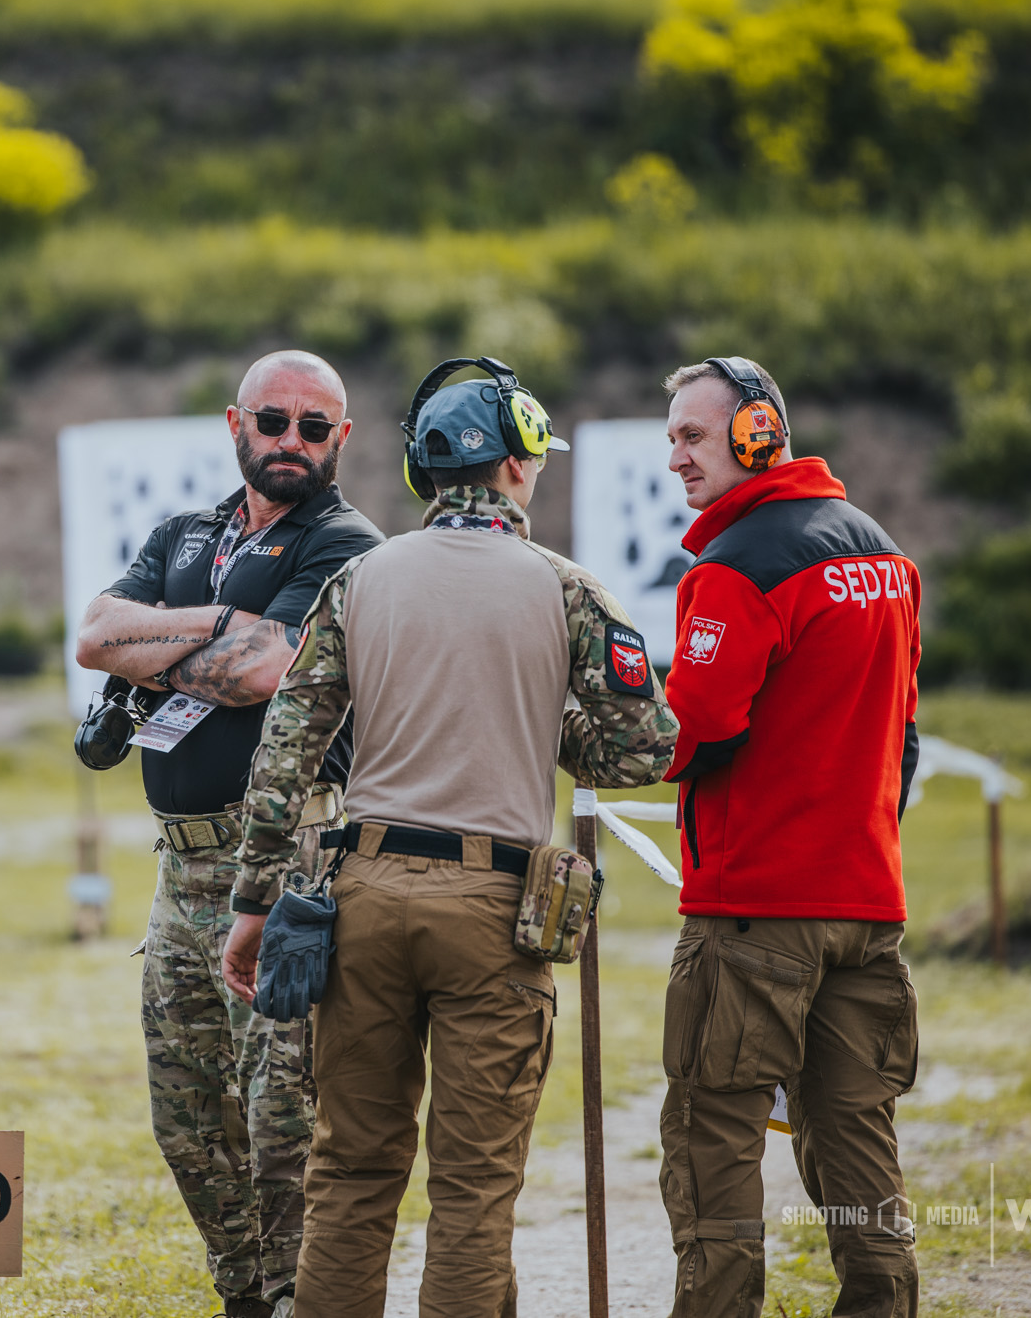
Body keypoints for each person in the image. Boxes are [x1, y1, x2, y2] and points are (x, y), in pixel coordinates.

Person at [220, 358, 678, 1318]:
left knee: (349, 1169)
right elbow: (642, 752)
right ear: (514, 463)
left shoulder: (360, 577)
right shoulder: (570, 591)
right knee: (473, 1189)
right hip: (496, 910)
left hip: (363, 894)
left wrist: (254, 902)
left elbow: (284, 753)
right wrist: (537, 715)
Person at [75, 350, 383, 1318]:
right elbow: (92, 634)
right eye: (272, 421)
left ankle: (296, 1294)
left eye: (313, 426)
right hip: (181, 863)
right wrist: (214, 621)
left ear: (342, 439)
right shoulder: (185, 533)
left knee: (280, 1114)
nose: (290, 440)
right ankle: (244, 1295)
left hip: (287, 856)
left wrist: (161, 637)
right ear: (234, 424)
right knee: (185, 1115)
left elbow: (265, 671)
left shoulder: (342, 543)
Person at [655, 357, 922, 1318]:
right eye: (672, 438)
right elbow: (906, 732)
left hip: (754, 909)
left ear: (757, 432)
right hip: (866, 904)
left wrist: (613, 710)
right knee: (856, 1134)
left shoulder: (735, 567)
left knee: (712, 1134)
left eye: (693, 435)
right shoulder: (885, 554)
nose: (676, 458)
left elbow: (691, 732)